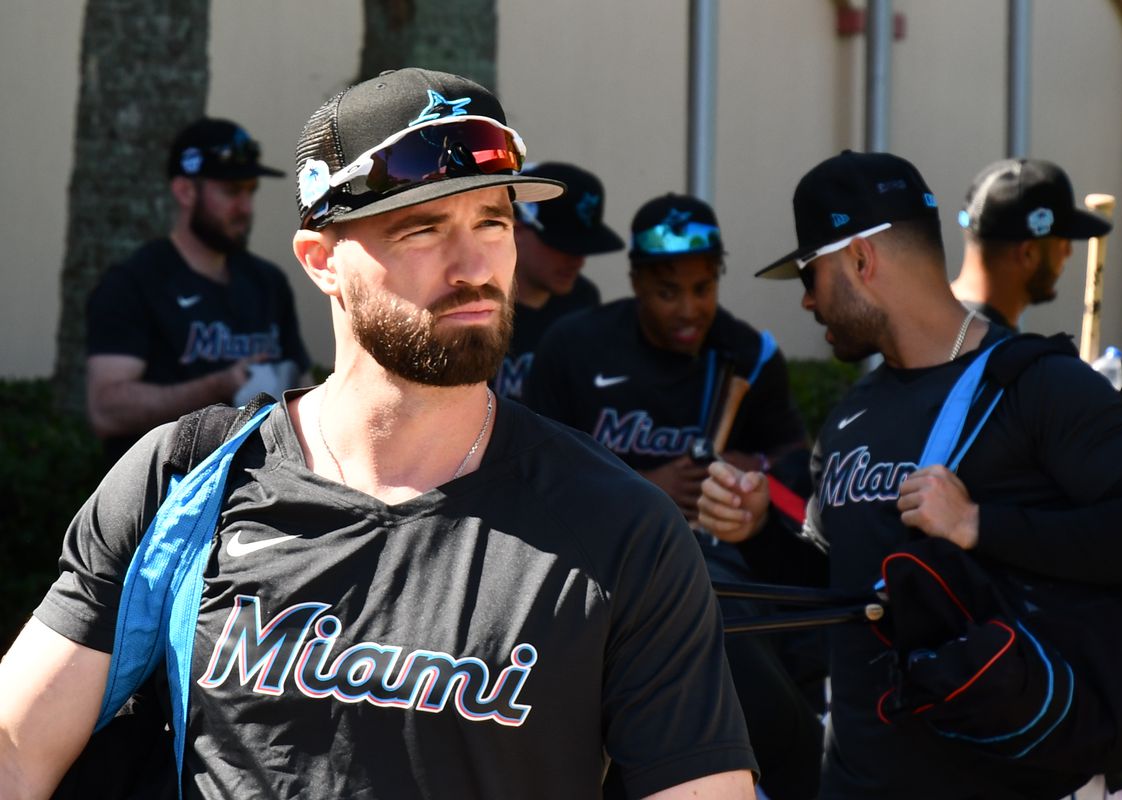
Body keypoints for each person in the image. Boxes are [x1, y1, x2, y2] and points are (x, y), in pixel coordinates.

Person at [0, 69, 757, 799]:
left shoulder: (622, 529)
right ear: (322, 261)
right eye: (424, 227)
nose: (474, 265)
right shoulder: (186, 483)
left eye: (493, 221)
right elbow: (15, 757)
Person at [698, 150, 1122, 799]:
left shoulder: (1040, 385)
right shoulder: (853, 414)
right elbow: (846, 592)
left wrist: (980, 525)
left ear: (859, 261)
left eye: (810, 272)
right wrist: (758, 529)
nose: (808, 298)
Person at [526, 193, 821, 799]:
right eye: (667, 290)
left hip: (723, 582)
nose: (689, 309)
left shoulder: (748, 352)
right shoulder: (575, 346)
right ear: (635, 280)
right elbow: (527, 473)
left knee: (774, 703)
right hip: (598, 576)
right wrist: (641, 489)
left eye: (703, 287)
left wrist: (752, 477)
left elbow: (795, 465)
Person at [86, 117, 311, 465]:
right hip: (165, 495)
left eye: (251, 190)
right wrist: (220, 386)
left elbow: (302, 385)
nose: (246, 208)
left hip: (261, 498)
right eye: (231, 191)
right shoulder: (132, 283)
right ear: (185, 191)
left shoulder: (268, 283)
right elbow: (107, 410)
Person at [494, 161, 624, 401]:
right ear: (517, 229)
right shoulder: (480, 303)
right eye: (563, 245)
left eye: (584, 247)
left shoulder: (582, 299)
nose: (578, 261)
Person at [951, 158, 1111, 330]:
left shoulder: (926, 320)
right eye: (1064, 242)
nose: (1069, 252)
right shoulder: (1004, 352)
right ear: (1028, 253)